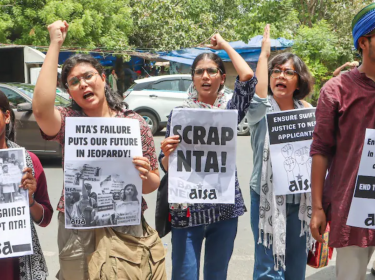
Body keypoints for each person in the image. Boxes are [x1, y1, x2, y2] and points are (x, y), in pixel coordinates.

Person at [33, 20, 165, 280]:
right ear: (69, 91)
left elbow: (152, 184)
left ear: (103, 79)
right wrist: (55, 44)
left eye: (88, 77)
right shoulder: (69, 122)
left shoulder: (133, 123)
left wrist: (143, 175)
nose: (83, 84)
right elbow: (40, 109)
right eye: (73, 82)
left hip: (125, 223)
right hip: (78, 226)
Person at [159, 33, 256, 280]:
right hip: (187, 210)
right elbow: (167, 166)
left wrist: (224, 45)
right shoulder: (179, 115)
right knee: (184, 275)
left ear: (222, 78)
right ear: (192, 78)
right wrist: (167, 153)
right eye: (199, 71)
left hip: (224, 211)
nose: (205, 76)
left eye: (212, 71)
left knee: (217, 275)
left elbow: (247, 78)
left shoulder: (230, 111)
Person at [310, 3, 375, 280]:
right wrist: (316, 208)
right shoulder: (336, 90)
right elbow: (321, 150)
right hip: (353, 211)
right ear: (364, 42)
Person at [246, 25, 314, 279]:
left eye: (288, 72)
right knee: (267, 269)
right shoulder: (260, 111)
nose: (280, 76)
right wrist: (264, 56)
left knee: (296, 266)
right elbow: (258, 96)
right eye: (276, 71)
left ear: (299, 81)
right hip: (265, 197)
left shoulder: (307, 112)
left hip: (299, 200)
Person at [0, 88, 53, 279]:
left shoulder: (29, 162)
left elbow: (45, 219)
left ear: (7, 116)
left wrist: (30, 200)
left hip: (22, 265)